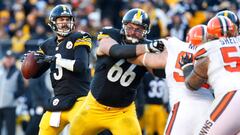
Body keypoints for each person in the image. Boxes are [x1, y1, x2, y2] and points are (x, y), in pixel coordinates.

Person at [69, 8, 164, 135]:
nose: (133, 33)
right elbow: (115, 51)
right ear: (123, 26)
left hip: (123, 112)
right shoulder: (111, 34)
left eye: (139, 30)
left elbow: (159, 72)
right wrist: (147, 48)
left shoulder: (148, 46)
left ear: (145, 32)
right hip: (94, 106)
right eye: (130, 27)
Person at [129, 24, 214, 135]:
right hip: (209, 107)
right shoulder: (213, 53)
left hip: (183, 106)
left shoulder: (175, 45)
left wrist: (121, 53)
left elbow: (143, 60)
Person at [23, 4, 92, 135]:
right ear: (53, 22)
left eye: (67, 19)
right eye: (61, 19)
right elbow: (35, 74)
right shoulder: (47, 44)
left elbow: (81, 66)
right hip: (59, 100)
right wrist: (31, 62)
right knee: (44, 129)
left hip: (79, 99)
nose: (65, 22)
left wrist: (54, 59)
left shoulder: (80, 37)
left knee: (80, 131)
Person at [181, 16, 240, 135]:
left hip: (233, 94)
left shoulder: (207, 48)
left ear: (210, 35)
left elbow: (192, 84)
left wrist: (186, 67)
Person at [0, 50, 24, 135]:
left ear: (14, 60)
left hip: (10, 106)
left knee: (10, 130)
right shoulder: (1, 70)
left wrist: (11, 96)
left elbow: (21, 89)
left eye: (10, 58)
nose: (8, 60)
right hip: (0, 105)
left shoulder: (17, 72)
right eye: (7, 58)